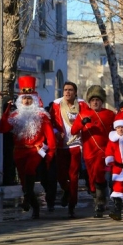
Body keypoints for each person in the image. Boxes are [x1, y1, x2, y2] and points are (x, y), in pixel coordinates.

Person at [0, 76, 56, 218]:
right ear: (20, 100)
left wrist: (50, 154)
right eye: (24, 98)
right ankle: (33, 204)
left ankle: (27, 200)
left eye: (29, 98)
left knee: (30, 171)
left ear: (34, 99)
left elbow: (50, 137)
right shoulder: (15, 115)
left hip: (35, 150)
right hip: (19, 151)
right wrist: (6, 112)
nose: (27, 101)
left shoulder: (42, 116)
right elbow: (2, 129)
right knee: (24, 180)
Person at [70, 85, 115, 218]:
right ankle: (97, 199)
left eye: (98, 100)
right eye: (93, 100)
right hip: (89, 152)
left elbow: (118, 129)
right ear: (89, 102)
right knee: (91, 177)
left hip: (104, 151)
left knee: (100, 174)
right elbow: (73, 131)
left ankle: (100, 202)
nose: (95, 102)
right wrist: (81, 123)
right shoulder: (83, 114)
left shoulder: (109, 114)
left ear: (102, 101)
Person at [49, 81, 87, 218]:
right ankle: (67, 190)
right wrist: (56, 132)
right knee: (61, 175)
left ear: (75, 92)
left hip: (76, 144)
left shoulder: (82, 105)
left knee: (74, 176)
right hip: (61, 144)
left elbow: (87, 121)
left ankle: (72, 205)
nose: (67, 92)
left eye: (70, 90)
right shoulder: (56, 106)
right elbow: (51, 123)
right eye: (65, 89)